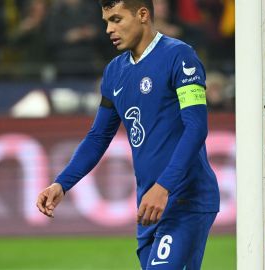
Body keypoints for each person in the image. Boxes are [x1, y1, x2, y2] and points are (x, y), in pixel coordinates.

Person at [36, 1, 220, 269]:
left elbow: (196, 128)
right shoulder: (114, 72)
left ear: (143, 15)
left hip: (184, 199)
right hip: (149, 205)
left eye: (116, 19)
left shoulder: (180, 56)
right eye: (106, 22)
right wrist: (61, 184)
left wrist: (164, 186)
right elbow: (98, 136)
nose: (109, 29)